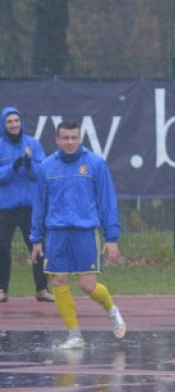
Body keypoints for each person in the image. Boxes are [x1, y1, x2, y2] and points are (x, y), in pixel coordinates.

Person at [30, 120, 126, 350]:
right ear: (57, 140)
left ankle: (111, 310)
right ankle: (75, 336)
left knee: (88, 285)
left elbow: (107, 201)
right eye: (65, 138)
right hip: (56, 234)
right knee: (59, 281)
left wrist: (111, 237)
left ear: (80, 138)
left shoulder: (96, 164)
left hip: (86, 233)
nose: (70, 142)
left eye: (74, 137)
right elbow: (39, 204)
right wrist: (36, 238)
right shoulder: (46, 167)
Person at [0, 106, 53, 303]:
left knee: (38, 246)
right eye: (9, 122)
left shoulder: (33, 144)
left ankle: (42, 289)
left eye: (16, 121)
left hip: (30, 206)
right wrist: (11, 169)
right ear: (4, 125)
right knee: (2, 248)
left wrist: (29, 165)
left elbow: (42, 173)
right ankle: (2, 289)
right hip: (4, 207)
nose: (14, 125)